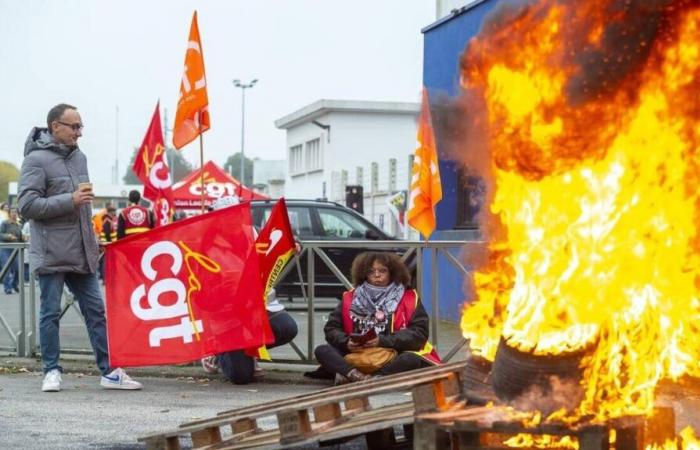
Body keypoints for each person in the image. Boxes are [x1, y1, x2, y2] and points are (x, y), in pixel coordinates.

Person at [17, 103, 142, 392]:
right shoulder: (35, 160)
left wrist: (92, 239)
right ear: (54, 127)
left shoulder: (80, 157)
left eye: (81, 126)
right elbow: (26, 206)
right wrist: (69, 200)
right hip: (50, 251)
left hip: (81, 250)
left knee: (96, 311)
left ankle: (109, 371)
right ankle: (51, 371)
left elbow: (83, 208)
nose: (79, 132)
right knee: (50, 312)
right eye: (74, 126)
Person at [200, 195, 299, 384]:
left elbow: (271, 249)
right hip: (228, 318)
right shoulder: (207, 246)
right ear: (217, 219)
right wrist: (222, 290)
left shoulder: (252, 232)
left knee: (287, 328)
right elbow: (202, 297)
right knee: (242, 377)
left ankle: (249, 352)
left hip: (258, 308)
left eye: (236, 214)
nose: (233, 219)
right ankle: (216, 352)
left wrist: (289, 248)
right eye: (227, 216)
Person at [314, 251, 440, 383]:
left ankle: (363, 376)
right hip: (355, 355)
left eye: (382, 271)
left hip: (391, 356)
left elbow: (419, 334)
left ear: (392, 273)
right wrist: (346, 342)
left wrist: (381, 341)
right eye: (371, 271)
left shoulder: (409, 298)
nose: (377, 275)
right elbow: (331, 328)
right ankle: (358, 376)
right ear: (363, 274)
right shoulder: (350, 297)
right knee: (322, 351)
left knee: (411, 359)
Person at [0, 207, 23, 294]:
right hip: (5, 249)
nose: (14, 214)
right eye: (12, 212)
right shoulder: (4, 223)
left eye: (15, 212)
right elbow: (0, 234)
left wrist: (24, 238)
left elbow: (20, 238)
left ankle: (14, 284)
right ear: (9, 213)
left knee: (18, 269)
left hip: (15, 249)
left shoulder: (18, 224)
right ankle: (7, 288)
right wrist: (8, 236)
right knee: (7, 268)